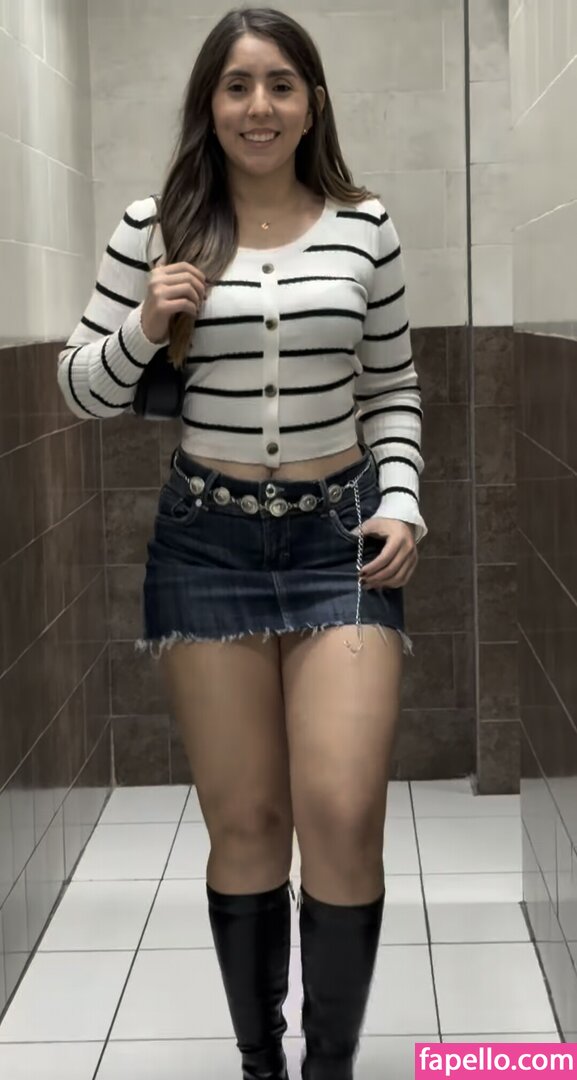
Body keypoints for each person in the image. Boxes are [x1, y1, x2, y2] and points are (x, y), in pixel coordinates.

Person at [57, 7, 427, 1078]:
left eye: (279, 85)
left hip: (338, 542)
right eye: (235, 86)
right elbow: (79, 390)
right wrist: (140, 326)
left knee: (342, 811)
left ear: (312, 105)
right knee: (251, 822)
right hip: (205, 545)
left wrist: (401, 501)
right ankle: (262, 1062)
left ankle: (328, 1068)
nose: (257, 107)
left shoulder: (364, 226)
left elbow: (392, 388)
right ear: (208, 105)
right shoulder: (155, 226)